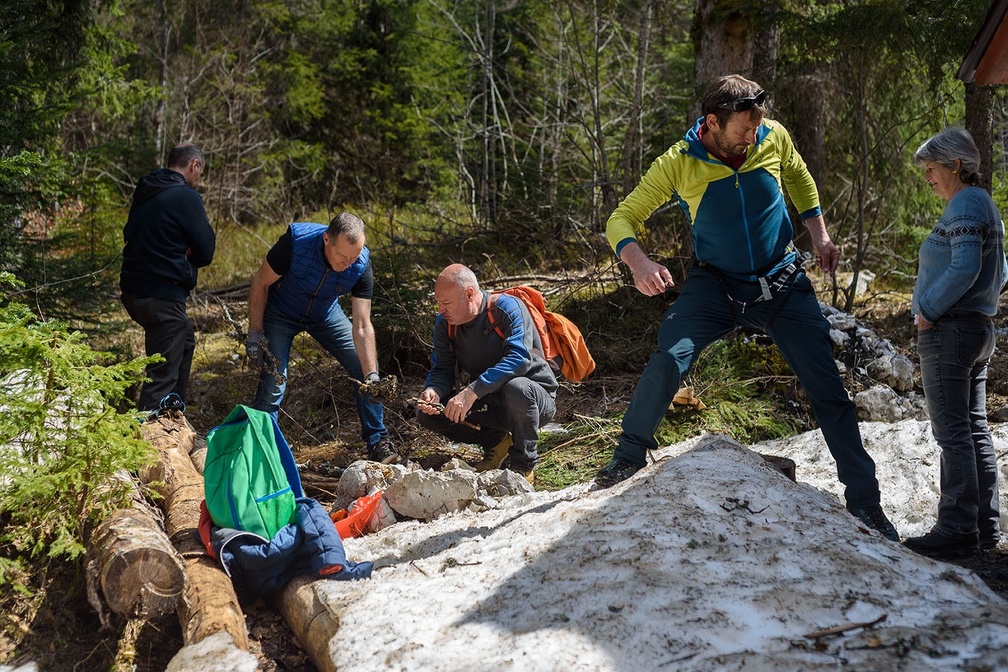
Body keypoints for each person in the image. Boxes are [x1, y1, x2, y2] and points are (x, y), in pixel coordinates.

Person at [593, 74, 899, 542]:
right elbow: (621, 219)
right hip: (716, 286)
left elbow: (799, 177)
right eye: (743, 130)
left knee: (828, 389)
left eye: (757, 128)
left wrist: (820, 236)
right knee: (669, 357)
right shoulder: (678, 162)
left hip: (782, 282)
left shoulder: (772, 135)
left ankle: (866, 503)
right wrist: (640, 263)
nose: (752, 137)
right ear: (712, 123)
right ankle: (627, 457)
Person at [903, 127, 1007, 558]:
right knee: (973, 428)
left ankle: (956, 528)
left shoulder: (964, 203)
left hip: (951, 331)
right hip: (976, 329)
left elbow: (964, 266)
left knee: (952, 433)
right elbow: (1001, 272)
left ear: (956, 165)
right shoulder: (984, 204)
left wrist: (928, 309)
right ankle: (984, 527)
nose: (927, 177)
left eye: (931, 168)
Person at [246, 212, 397, 463]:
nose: (348, 263)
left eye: (354, 257)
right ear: (327, 239)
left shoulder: (361, 264)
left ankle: (378, 442)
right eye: (342, 256)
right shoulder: (296, 243)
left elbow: (362, 325)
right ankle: (259, 449)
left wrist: (372, 375)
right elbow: (260, 283)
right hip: (281, 312)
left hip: (325, 313)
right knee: (275, 381)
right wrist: (255, 333)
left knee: (363, 365)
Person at [415, 264, 558, 484]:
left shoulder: (507, 308)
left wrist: (471, 392)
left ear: (469, 294)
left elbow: (519, 359)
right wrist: (434, 390)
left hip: (533, 401)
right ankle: (497, 443)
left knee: (517, 387)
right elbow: (442, 368)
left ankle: (523, 465)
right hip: (489, 401)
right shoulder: (446, 324)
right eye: (438, 303)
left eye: (446, 303)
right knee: (428, 413)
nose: (440, 310)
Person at [120, 143, 215, 413]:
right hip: (162, 294)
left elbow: (134, 235)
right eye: (200, 171)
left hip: (134, 292)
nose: (199, 178)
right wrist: (186, 248)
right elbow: (206, 250)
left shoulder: (145, 192)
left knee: (184, 343)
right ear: (194, 165)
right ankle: (151, 431)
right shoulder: (185, 196)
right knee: (161, 374)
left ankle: (172, 414)